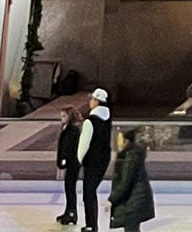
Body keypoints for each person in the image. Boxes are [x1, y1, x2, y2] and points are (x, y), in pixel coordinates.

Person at [76, 87, 112, 232]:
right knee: (92, 191)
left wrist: (79, 159)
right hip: (104, 158)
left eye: (92, 99)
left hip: (92, 161)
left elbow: (84, 144)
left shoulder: (90, 121)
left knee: (88, 193)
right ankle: (92, 225)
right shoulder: (107, 118)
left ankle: (92, 225)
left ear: (96, 101)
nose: (90, 102)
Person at [106, 128, 155, 230]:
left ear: (126, 141)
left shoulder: (131, 157)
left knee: (131, 228)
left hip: (135, 201)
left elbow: (125, 182)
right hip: (134, 200)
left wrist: (111, 200)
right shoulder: (129, 155)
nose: (117, 144)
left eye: (120, 140)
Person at [55, 106, 82, 226]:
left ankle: (72, 213)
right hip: (69, 162)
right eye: (61, 116)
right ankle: (69, 211)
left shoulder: (73, 130)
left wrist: (64, 159)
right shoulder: (67, 129)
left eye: (64, 116)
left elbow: (69, 147)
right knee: (68, 187)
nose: (62, 119)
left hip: (72, 163)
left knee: (70, 188)